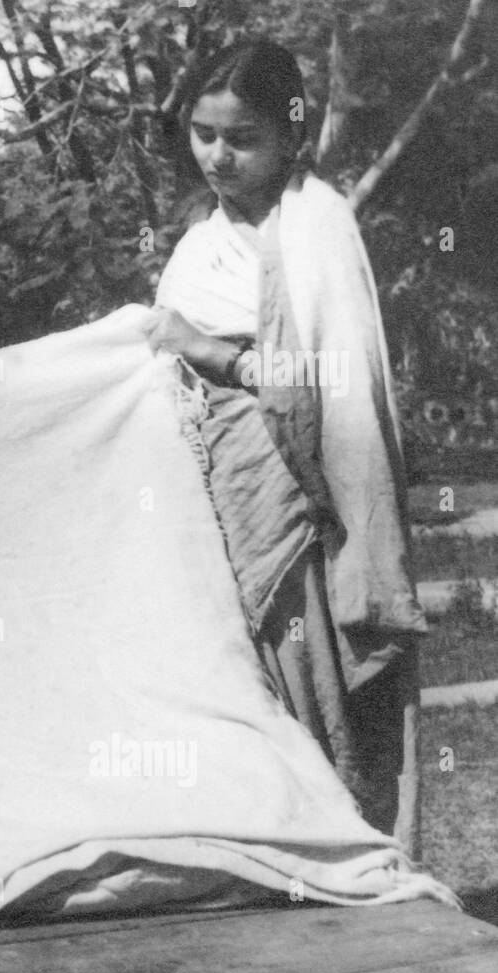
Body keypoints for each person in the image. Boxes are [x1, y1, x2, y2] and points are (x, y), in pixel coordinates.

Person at [145, 41, 429, 851]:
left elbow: (334, 378)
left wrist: (218, 354)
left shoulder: (316, 223)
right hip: (213, 496)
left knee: (313, 672)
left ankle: (344, 842)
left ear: (290, 136)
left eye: (243, 138)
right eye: (203, 133)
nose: (218, 155)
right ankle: (270, 851)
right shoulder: (202, 237)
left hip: (298, 497)